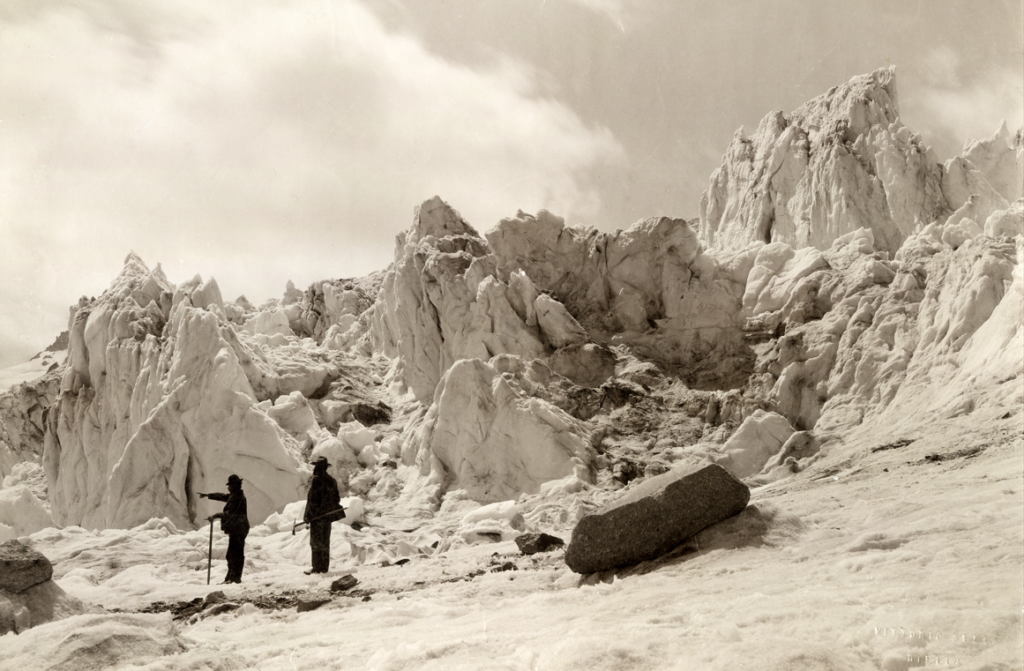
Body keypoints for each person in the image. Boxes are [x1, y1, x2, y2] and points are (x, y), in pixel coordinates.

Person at [200, 474, 250, 584]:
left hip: (239, 529)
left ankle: (234, 578)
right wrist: (208, 495)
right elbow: (222, 496)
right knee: (232, 554)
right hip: (237, 528)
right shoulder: (234, 496)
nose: (228, 487)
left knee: (235, 554)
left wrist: (215, 516)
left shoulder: (238, 498)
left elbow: (230, 514)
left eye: (230, 485)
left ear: (235, 486)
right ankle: (230, 578)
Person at [304, 457, 344, 574]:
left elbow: (312, 500)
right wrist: (327, 510)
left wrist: (308, 516)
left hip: (317, 518)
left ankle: (316, 568)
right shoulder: (332, 481)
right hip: (327, 517)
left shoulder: (317, 480)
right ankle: (324, 568)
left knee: (316, 542)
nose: (314, 469)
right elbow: (336, 499)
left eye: (316, 466)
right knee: (325, 541)